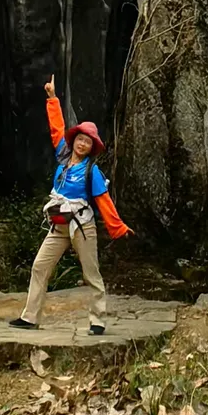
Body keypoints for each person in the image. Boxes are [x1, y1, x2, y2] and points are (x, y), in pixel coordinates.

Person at [9, 74, 133, 335]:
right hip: (59, 224)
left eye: (88, 142)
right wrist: (52, 98)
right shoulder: (64, 158)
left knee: (91, 273)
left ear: (91, 147)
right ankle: (30, 317)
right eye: (80, 139)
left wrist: (118, 227)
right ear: (74, 140)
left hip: (82, 227)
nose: (83, 144)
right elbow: (57, 128)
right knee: (40, 266)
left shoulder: (92, 172)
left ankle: (97, 320)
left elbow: (104, 201)